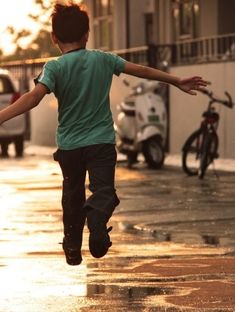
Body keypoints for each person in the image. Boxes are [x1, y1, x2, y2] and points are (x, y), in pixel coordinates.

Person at [0, 3, 209, 266]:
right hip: (101, 143)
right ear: (87, 34)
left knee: (72, 196)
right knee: (104, 191)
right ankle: (97, 220)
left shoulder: (54, 67)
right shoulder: (104, 59)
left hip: (70, 147)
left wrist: (1, 117)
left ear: (54, 38)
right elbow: (141, 70)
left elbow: (32, 98)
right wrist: (175, 80)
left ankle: (73, 244)